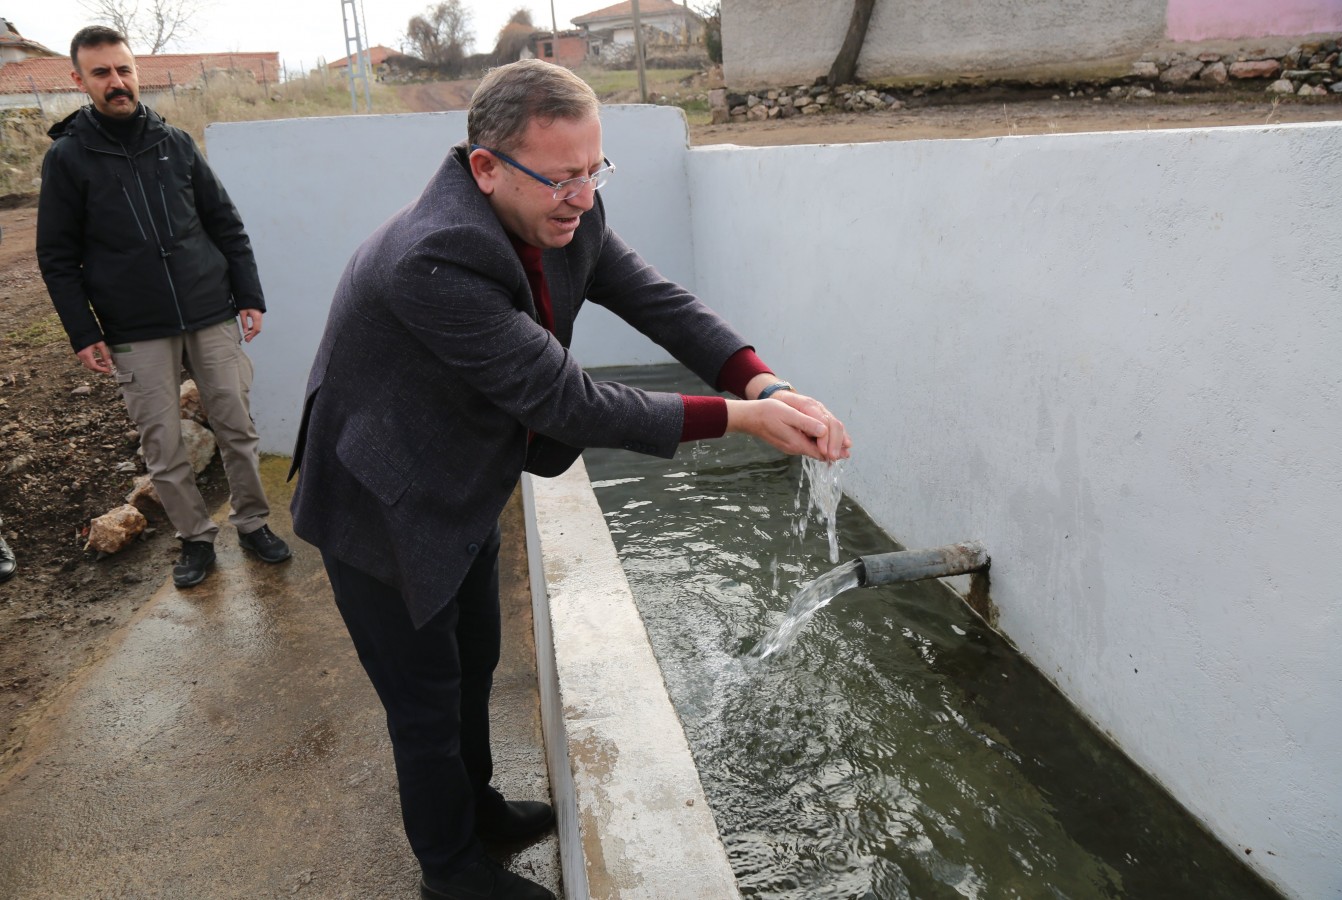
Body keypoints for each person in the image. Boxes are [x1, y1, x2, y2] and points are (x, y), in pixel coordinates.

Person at [289, 59, 850, 900]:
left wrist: (759, 379)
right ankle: (449, 872)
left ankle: (475, 812)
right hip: (383, 495)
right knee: (424, 701)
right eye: (562, 177)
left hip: (460, 477)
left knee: (473, 662)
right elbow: (568, 400)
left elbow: (655, 299)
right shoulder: (434, 257)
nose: (582, 196)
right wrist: (740, 419)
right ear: (485, 167)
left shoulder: (562, 207)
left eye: (595, 171)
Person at [36, 26, 291, 589]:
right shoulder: (69, 158)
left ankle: (253, 525)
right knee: (164, 443)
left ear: (136, 72)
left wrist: (248, 295)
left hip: (210, 312)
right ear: (79, 80)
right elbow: (56, 256)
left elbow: (225, 224)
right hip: (134, 328)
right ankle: (195, 539)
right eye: (101, 73)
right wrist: (84, 331)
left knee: (237, 427)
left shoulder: (174, 143)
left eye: (123, 69)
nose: (116, 82)